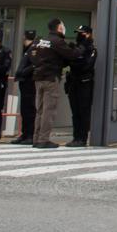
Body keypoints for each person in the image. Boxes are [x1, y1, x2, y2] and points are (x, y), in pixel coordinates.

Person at [30, 18, 80, 149]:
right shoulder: (57, 41)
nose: (64, 28)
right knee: (49, 110)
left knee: (40, 110)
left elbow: (32, 56)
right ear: (59, 28)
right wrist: (79, 48)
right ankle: (44, 139)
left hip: (38, 78)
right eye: (63, 26)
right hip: (51, 79)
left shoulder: (40, 41)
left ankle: (36, 138)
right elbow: (72, 55)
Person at [64, 25, 97, 147]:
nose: (79, 35)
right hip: (73, 82)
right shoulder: (76, 48)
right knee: (75, 111)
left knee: (84, 111)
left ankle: (82, 138)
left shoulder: (91, 49)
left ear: (88, 34)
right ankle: (76, 137)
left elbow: (87, 66)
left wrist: (75, 61)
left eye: (81, 33)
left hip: (85, 83)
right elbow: (68, 62)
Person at [11, 30, 37, 144]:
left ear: (24, 36)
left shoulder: (33, 48)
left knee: (29, 110)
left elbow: (35, 64)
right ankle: (25, 134)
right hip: (24, 81)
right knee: (24, 110)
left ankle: (30, 135)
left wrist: (23, 72)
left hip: (30, 81)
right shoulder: (27, 49)